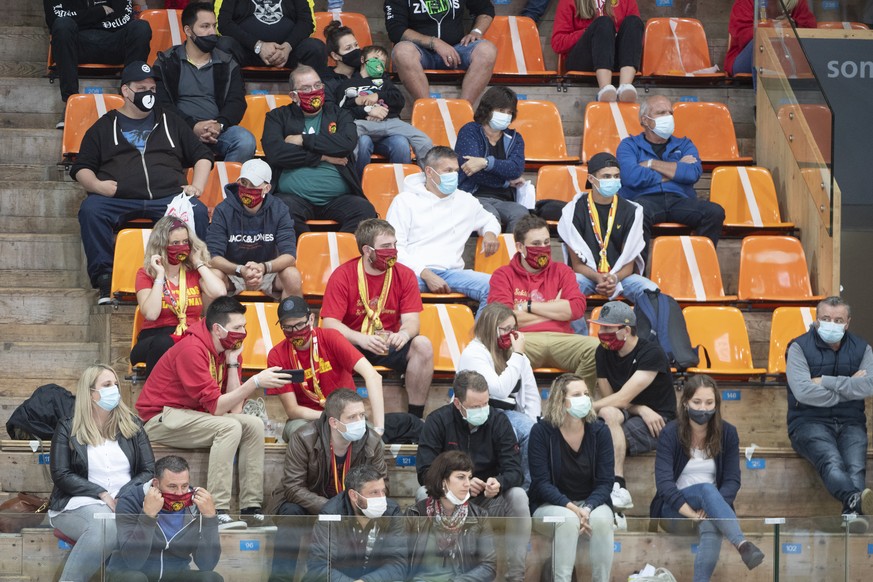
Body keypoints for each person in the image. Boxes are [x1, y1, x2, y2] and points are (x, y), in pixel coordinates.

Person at [136, 296, 292, 529]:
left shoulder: (225, 350)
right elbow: (219, 409)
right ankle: (217, 510)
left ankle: (251, 508)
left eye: (244, 327)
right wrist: (255, 382)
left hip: (193, 416)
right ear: (218, 329)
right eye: (237, 328)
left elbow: (234, 408)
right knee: (229, 426)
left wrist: (231, 363)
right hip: (161, 418)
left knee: (253, 424)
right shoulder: (192, 349)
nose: (243, 333)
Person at [71, 61, 213, 304]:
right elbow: (81, 167)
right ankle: (105, 278)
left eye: (152, 89)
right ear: (126, 91)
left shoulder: (170, 120)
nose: (149, 94)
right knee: (91, 209)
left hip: (168, 197)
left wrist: (196, 187)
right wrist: (97, 186)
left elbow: (202, 156)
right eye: (142, 88)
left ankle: (193, 276)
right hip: (120, 198)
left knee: (197, 210)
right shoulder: (105, 126)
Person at [416, 370, 529, 582]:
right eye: (475, 407)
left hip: (487, 500)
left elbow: (515, 471)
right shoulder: (437, 421)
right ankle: (435, 574)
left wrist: (499, 483)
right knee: (423, 494)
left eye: (485, 404)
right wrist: (458, 483)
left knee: (519, 496)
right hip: (448, 501)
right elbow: (424, 472)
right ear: (458, 404)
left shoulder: (498, 421)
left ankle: (516, 576)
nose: (482, 411)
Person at [651, 375, 766, 579]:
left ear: (716, 404)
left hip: (712, 508)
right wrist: (693, 514)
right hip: (674, 510)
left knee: (711, 521)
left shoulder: (728, 433)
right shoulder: (670, 433)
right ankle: (742, 544)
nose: (703, 408)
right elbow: (664, 485)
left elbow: (732, 481)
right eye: (697, 402)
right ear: (685, 403)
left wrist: (710, 507)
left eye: (709, 402)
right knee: (706, 489)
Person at [268, 389, 388, 582]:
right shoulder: (304, 437)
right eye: (352, 417)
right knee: (290, 513)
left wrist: (353, 506)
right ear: (334, 422)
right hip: (309, 504)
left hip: (352, 505)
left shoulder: (372, 440)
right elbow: (293, 486)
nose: (360, 422)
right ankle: (281, 579)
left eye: (362, 415)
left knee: (384, 510)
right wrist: (332, 508)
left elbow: (382, 483)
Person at [49, 364, 155, 582]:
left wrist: (123, 495)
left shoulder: (133, 425)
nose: (114, 389)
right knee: (105, 524)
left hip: (125, 505)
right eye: (107, 385)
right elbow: (61, 474)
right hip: (76, 504)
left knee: (110, 523)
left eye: (115, 384)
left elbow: (148, 470)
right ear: (90, 393)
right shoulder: (68, 427)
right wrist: (100, 492)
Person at [321, 219, 433, 419]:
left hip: (386, 341)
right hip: (353, 343)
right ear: (367, 250)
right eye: (386, 246)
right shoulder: (343, 275)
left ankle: (415, 419)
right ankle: (338, 415)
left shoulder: (405, 275)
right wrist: (360, 338)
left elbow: (412, 321)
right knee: (329, 346)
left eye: (395, 245)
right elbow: (329, 323)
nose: (393, 251)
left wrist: (404, 334)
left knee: (423, 345)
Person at [785, 296, 873, 524]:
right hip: (808, 422)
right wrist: (848, 385)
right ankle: (854, 500)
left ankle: (851, 514)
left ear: (848, 322)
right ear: (816, 321)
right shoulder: (798, 347)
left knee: (856, 467)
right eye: (825, 318)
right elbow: (804, 392)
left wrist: (826, 381)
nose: (831, 323)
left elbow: (868, 385)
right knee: (831, 460)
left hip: (851, 421)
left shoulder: (863, 349)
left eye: (838, 319)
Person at [263, 65, 377, 235]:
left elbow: (346, 144)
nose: (314, 91)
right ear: (294, 96)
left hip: (339, 199)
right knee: (278, 208)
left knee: (365, 211)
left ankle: (343, 256)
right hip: (293, 198)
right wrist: (323, 157)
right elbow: (276, 154)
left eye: (318, 85)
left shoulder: (339, 114)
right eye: (306, 88)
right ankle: (307, 255)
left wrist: (303, 139)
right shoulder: (277, 117)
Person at [386, 146, 499, 317]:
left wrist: (490, 232)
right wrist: (425, 273)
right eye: (447, 171)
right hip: (413, 273)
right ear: (430, 172)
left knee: (496, 286)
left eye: (455, 170)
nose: (454, 175)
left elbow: (489, 219)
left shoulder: (466, 200)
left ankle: (479, 341)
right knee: (389, 286)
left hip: (454, 274)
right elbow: (394, 248)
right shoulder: (404, 201)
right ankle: (403, 340)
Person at [488, 214, 600, 386]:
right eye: (536, 244)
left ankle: (580, 405)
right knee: (500, 350)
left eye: (547, 242)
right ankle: (514, 408)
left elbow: (576, 309)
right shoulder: (503, 275)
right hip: (523, 340)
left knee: (597, 348)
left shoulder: (562, 271)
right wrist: (555, 311)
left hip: (562, 340)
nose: (543, 248)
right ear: (520, 247)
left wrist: (528, 306)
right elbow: (503, 320)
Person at [589, 301, 676, 514]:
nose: (602, 333)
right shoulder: (602, 353)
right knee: (607, 414)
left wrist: (586, 407)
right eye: (601, 327)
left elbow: (622, 397)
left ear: (626, 330)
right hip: (635, 413)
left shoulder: (651, 353)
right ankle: (616, 486)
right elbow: (612, 400)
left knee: (600, 438)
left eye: (608, 328)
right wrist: (639, 409)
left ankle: (612, 494)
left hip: (659, 420)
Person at [529, 374, 615, 582]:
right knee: (567, 520)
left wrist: (586, 508)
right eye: (577, 394)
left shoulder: (600, 431)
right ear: (560, 400)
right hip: (549, 505)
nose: (584, 399)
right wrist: (571, 508)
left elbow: (606, 482)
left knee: (603, 520)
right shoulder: (541, 432)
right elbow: (541, 484)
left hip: (590, 504)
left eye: (586, 394)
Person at [266, 296, 385, 442]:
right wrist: (329, 418)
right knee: (303, 436)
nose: (295, 331)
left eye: (299, 325)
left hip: (346, 415)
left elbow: (373, 376)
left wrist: (379, 428)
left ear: (311, 319)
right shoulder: (276, 355)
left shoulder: (331, 338)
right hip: (307, 419)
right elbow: (293, 410)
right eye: (288, 327)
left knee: (372, 441)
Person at [616, 95, 725, 249]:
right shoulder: (629, 145)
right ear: (645, 120)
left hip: (679, 200)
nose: (668, 117)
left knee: (714, 212)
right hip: (644, 199)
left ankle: (698, 264)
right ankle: (637, 271)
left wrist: (651, 164)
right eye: (661, 113)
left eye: (670, 113)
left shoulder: (685, 144)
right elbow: (631, 176)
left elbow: (692, 173)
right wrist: (675, 170)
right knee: (637, 212)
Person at [323, 22, 433, 176]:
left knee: (402, 143)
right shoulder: (333, 82)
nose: (356, 50)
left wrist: (378, 99)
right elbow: (338, 111)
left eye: (356, 45)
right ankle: (351, 183)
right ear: (335, 56)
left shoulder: (377, 74)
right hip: (361, 126)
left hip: (388, 123)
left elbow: (397, 101)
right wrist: (367, 110)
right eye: (348, 48)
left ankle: (417, 182)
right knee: (358, 140)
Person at [152, 2, 255, 163]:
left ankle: (225, 185)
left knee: (245, 140)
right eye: (205, 26)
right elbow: (161, 104)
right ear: (188, 30)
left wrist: (219, 125)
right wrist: (192, 126)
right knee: (160, 139)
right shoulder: (166, 62)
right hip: (178, 130)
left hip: (217, 132)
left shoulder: (228, 62)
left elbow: (237, 102)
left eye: (214, 26)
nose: (212, 32)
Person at [557, 151, 658, 304]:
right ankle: (578, 330)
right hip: (587, 276)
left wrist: (613, 278)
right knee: (570, 288)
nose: (613, 180)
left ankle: (644, 329)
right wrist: (598, 278)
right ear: (591, 179)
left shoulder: (631, 211)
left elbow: (628, 263)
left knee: (651, 290)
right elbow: (576, 265)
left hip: (620, 277)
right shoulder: (574, 210)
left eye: (616, 176)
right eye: (606, 176)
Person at [132, 216, 226, 377]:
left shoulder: (194, 273)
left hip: (189, 336)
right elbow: (151, 314)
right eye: (175, 243)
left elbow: (220, 292)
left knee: (210, 345)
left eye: (185, 242)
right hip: (155, 338)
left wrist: (198, 262)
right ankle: (155, 397)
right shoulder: (147, 274)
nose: (181, 247)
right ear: (162, 245)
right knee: (165, 343)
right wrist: (160, 275)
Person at [457, 303, 539, 486]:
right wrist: (517, 354)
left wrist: (533, 421)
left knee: (534, 431)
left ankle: (527, 491)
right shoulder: (474, 352)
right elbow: (499, 389)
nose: (511, 334)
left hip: (508, 413)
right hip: (480, 411)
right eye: (506, 329)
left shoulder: (517, 356)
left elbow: (531, 393)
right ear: (491, 328)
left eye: (514, 329)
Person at [106, 455, 222, 582]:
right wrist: (148, 516)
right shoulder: (131, 500)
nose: (179, 493)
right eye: (172, 486)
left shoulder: (196, 503)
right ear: (156, 483)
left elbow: (207, 565)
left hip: (176, 574)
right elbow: (133, 561)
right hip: (130, 572)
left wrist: (210, 518)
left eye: (184, 486)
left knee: (211, 578)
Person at [44, 0, 151, 128]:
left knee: (141, 27)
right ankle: (71, 103)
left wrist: (81, 18)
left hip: (112, 42)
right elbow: (54, 18)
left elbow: (123, 18)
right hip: (77, 44)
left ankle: (130, 103)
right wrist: (98, 12)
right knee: (62, 25)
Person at [206, 158, 302, 299]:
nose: (248, 189)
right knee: (212, 276)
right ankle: (209, 321)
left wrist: (264, 267)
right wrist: (240, 270)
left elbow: (289, 256)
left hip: (268, 271)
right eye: (244, 183)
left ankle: (294, 320)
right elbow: (213, 257)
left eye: (254, 184)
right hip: (233, 272)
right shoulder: (223, 210)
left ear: (267, 188)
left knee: (292, 275)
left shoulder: (279, 209)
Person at [302, 464, 406, 582]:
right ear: (354, 495)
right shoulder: (331, 514)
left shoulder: (392, 511)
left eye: (383, 491)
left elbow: (398, 564)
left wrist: (366, 581)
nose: (382, 498)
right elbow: (318, 567)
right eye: (374, 492)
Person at [407, 450, 497, 582]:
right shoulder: (415, 513)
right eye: (461, 477)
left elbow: (489, 566)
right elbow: (399, 563)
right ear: (443, 480)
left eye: (469, 477)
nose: (467, 484)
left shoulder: (479, 516)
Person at [385, 0, 498, 103]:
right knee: (402, 51)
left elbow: (486, 9)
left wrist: (476, 31)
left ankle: (464, 108)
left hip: (456, 51)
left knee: (487, 50)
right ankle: (425, 107)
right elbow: (396, 30)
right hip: (421, 53)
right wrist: (435, 42)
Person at [455, 86, 528, 233]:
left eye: (509, 112)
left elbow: (515, 169)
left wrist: (486, 162)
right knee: (490, 217)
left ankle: (510, 254)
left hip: (504, 200)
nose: (506, 115)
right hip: (473, 196)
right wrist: (505, 182)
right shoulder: (470, 131)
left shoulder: (515, 138)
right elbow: (472, 171)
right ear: (488, 109)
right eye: (501, 111)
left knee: (522, 214)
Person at [551, 0, 643, 102]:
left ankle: (625, 88)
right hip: (583, 61)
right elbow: (558, 43)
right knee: (603, 22)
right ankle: (605, 90)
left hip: (616, 61)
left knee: (634, 21)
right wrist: (589, 32)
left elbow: (636, 36)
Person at [215, 0, 326, 70]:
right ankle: (228, 101)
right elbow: (223, 24)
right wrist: (258, 46)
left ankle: (312, 103)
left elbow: (307, 23)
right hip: (247, 50)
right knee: (223, 45)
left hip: (288, 52)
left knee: (316, 47)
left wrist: (287, 47)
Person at [726, 0, 816, 76]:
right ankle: (761, 96)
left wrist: (793, 25)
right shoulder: (745, 2)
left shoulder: (796, 2)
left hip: (786, 57)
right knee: (760, 42)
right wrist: (773, 27)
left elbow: (810, 29)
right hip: (746, 58)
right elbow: (742, 36)